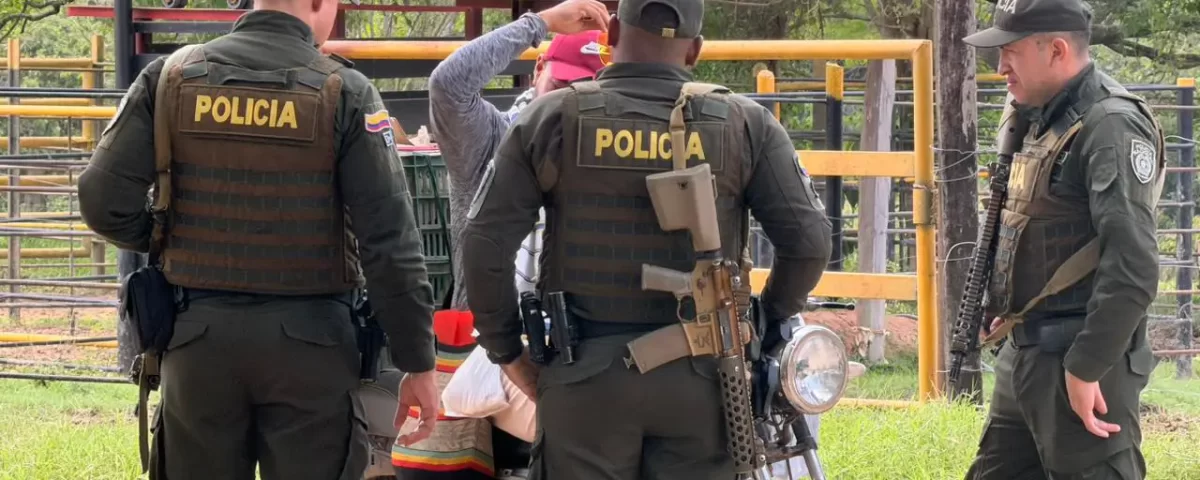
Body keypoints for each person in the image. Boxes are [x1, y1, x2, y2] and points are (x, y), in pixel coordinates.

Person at [458, 0, 833, 475]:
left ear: (612, 33)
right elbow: (809, 245)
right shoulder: (745, 124)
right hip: (707, 381)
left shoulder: (552, 117)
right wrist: (766, 322)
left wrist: (509, 352)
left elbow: (484, 243)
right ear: (695, 50)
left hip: (585, 377)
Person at [76, 0, 441, 478]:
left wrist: (171, 237)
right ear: (319, 2)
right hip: (313, 349)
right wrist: (419, 362)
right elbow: (390, 243)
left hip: (196, 343)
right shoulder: (347, 90)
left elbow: (101, 200)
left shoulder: (171, 77)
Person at [390, 3, 610, 479]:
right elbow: (448, 85)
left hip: (568, 360)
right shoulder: (491, 136)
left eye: (583, 89)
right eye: (562, 83)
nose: (566, 101)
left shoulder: (603, 156)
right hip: (480, 356)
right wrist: (540, 23)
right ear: (539, 69)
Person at [960, 0, 1165, 478]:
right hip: (1026, 352)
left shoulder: (1110, 124)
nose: (1000, 66)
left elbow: (1133, 263)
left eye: (1010, 51)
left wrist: (1087, 365)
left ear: (1055, 50)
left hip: (1079, 358)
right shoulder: (1043, 115)